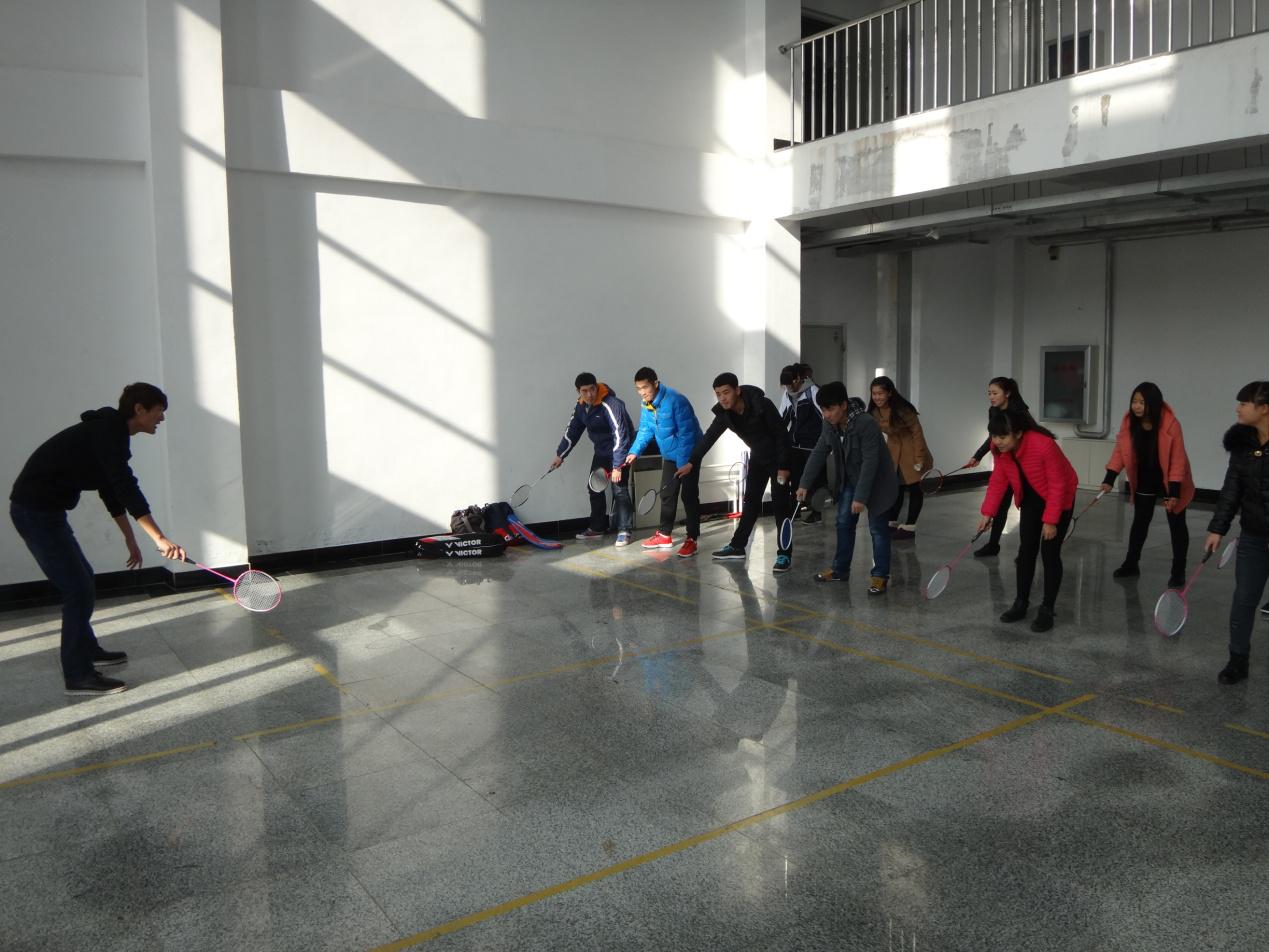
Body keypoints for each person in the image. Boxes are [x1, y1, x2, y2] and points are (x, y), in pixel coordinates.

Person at [9, 383, 187, 696]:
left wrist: (130, 538)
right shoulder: (108, 433)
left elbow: (110, 490)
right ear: (139, 409)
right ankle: (78, 675)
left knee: (83, 580)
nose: (162, 418)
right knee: (77, 588)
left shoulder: (111, 434)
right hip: (34, 512)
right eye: (159, 411)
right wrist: (159, 538)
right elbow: (125, 487)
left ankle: (87, 650)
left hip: (46, 512)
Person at [976, 408, 1078, 632]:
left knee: (1050, 553)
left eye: (1003, 436)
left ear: (1019, 433)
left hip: (1059, 498)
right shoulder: (1000, 449)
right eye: (994, 436)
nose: (997, 441)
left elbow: (1058, 484)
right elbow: (999, 480)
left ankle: (1047, 609)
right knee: (1026, 552)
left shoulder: (1043, 445)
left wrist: (1051, 520)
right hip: (1031, 498)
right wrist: (988, 512)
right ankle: (1020, 603)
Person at [680, 373, 793, 572]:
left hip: (778, 460)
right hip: (758, 458)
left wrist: (784, 467)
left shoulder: (762, 405)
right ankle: (738, 546)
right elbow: (709, 437)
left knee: (781, 507)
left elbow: (781, 435)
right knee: (750, 502)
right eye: (718, 394)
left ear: (737, 391)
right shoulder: (725, 414)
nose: (722, 398)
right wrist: (692, 462)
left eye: (726, 392)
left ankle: (784, 554)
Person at [797, 382, 898, 594]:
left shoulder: (866, 423)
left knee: (878, 530)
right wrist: (804, 483)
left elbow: (871, 462)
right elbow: (819, 452)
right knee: (843, 523)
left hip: (878, 482)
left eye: (830, 409)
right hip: (851, 479)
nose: (826, 414)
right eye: (823, 409)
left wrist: (860, 497)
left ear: (843, 405)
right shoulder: (829, 424)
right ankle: (840, 570)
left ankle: (880, 576)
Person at [1205, 381, 1269, 685]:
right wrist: (1217, 528)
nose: (1237, 409)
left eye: (1243, 403)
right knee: (1243, 599)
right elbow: (1232, 488)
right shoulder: (1242, 444)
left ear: (1264, 408)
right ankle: (1237, 660)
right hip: (1253, 536)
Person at [1100, 382, 1194, 589]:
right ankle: (1131, 563)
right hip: (1145, 476)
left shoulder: (1171, 423)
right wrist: (1109, 478)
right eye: (1134, 401)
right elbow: (1120, 451)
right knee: (1140, 522)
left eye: (1142, 402)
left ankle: (1178, 570)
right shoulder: (1129, 422)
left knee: (1177, 525)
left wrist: (1174, 492)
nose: (1136, 406)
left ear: (1153, 403)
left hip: (1171, 479)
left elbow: (1178, 459)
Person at [624, 367, 703, 557]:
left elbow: (687, 435)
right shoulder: (647, 404)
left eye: (645, 387)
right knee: (667, 493)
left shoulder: (677, 400)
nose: (642, 392)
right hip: (669, 454)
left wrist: (684, 464)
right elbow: (645, 430)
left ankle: (692, 539)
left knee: (689, 496)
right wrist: (634, 451)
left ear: (656, 384)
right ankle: (665, 535)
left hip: (690, 453)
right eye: (638, 389)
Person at [553, 373, 635, 545]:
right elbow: (573, 430)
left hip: (621, 450)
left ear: (596, 387)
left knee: (619, 489)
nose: (589, 394)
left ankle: (624, 530)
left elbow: (621, 435)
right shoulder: (581, 407)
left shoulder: (611, 404)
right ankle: (597, 528)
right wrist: (561, 455)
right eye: (584, 391)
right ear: (578, 391)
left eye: (592, 389)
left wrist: (617, 466)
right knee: (594, 487)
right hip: (602, 452)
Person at [966, 376, 1032, 558]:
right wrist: (978, 455)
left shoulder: (1020, 413)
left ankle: (1026, 551)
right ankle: (993, 544)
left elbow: (1028, 441)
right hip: (1004, 464)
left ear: (1007, 393)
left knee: (1027, 508)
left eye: (995, 393)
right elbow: (993, 437)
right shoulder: (993, 411)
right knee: (1001, 505)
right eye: (989, 393)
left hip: (1022, 466)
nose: (991, 397)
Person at [869, 375, 932, 541]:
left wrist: (919, 458)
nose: (877, 397)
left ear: (889, 393)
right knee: (895, 489)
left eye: (880, 393)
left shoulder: (903, 410)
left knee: (915, 489)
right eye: (874, 394)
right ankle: (892, 522)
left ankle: (910, 527)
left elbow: (917, 433)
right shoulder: (874, 412)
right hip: (894, 451)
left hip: (912, 451)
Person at [778, 363, 824, 525]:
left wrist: (827, 442)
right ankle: (795, 511)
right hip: (795, 444)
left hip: (813, 445)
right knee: (795, 478)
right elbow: (782, 418)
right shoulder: (787, 394)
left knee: (816, 479)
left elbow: (825, 416)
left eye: (791, 383)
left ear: (799, 378)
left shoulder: (813, 391)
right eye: (785, 385)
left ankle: (817, 512)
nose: (789, 387)